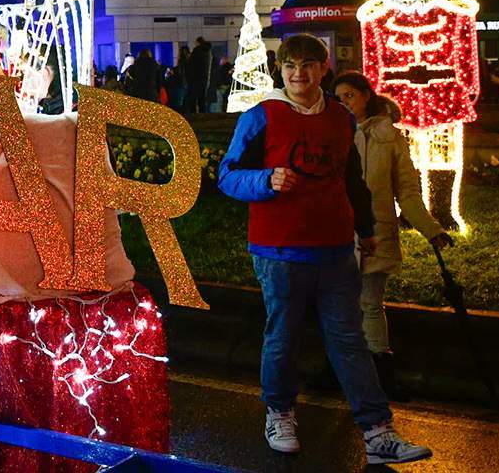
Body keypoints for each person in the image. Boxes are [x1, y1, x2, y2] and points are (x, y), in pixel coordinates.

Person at [218, 34, 431, 464]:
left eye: (309, 65)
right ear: (281, 70)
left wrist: (366, 228)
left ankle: (377, 432)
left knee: (350, 340)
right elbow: (227, 175)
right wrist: (265, 180)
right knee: (282, 337)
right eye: (291, 65)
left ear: (324, 67)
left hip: (335, 248)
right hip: (279, 250)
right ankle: (279, 413)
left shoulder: (340, 117)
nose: (300, 74)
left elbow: (351, 178)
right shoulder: (261, 116)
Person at [332, 71, 451, 399]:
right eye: (339, 98)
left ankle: (381, 374)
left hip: (377, 230)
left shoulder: (390, 137)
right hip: (337, 231)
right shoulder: (330, 132)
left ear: (366, 95)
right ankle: (341, 369)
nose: (345, 103)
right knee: (340, 305)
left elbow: (407, 191)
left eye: (350, 96)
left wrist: (431, 228)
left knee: (370, 302)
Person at [185, 36, 213, 115]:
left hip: (195, 79)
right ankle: (203, 115)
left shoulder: (197, 51)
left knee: (193, 98)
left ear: (198, 42)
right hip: (204, 78)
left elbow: (192, 65)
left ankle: (194, 116)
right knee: (202, 98)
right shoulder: (208, 52)